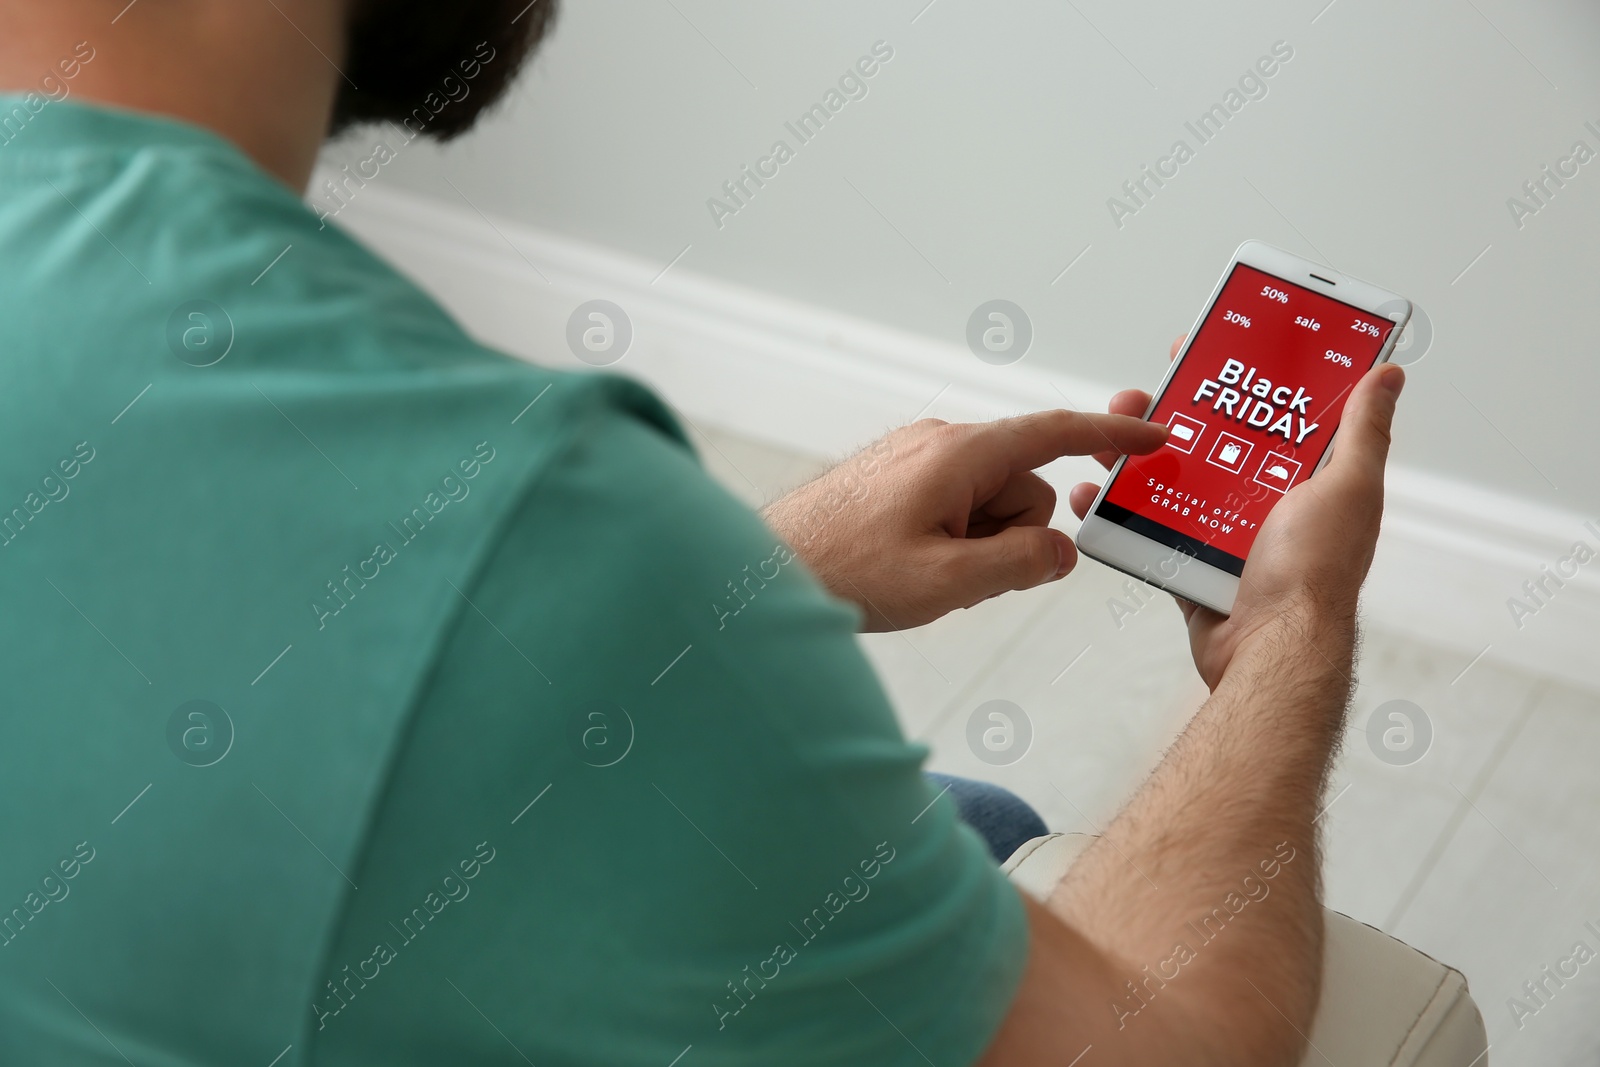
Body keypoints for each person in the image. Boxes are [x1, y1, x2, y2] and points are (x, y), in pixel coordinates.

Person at [0, 3, 1404, 1064]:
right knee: (986, 841)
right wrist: (1288, 633)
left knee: (968, 823)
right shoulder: (529, 515)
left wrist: (739, 574)